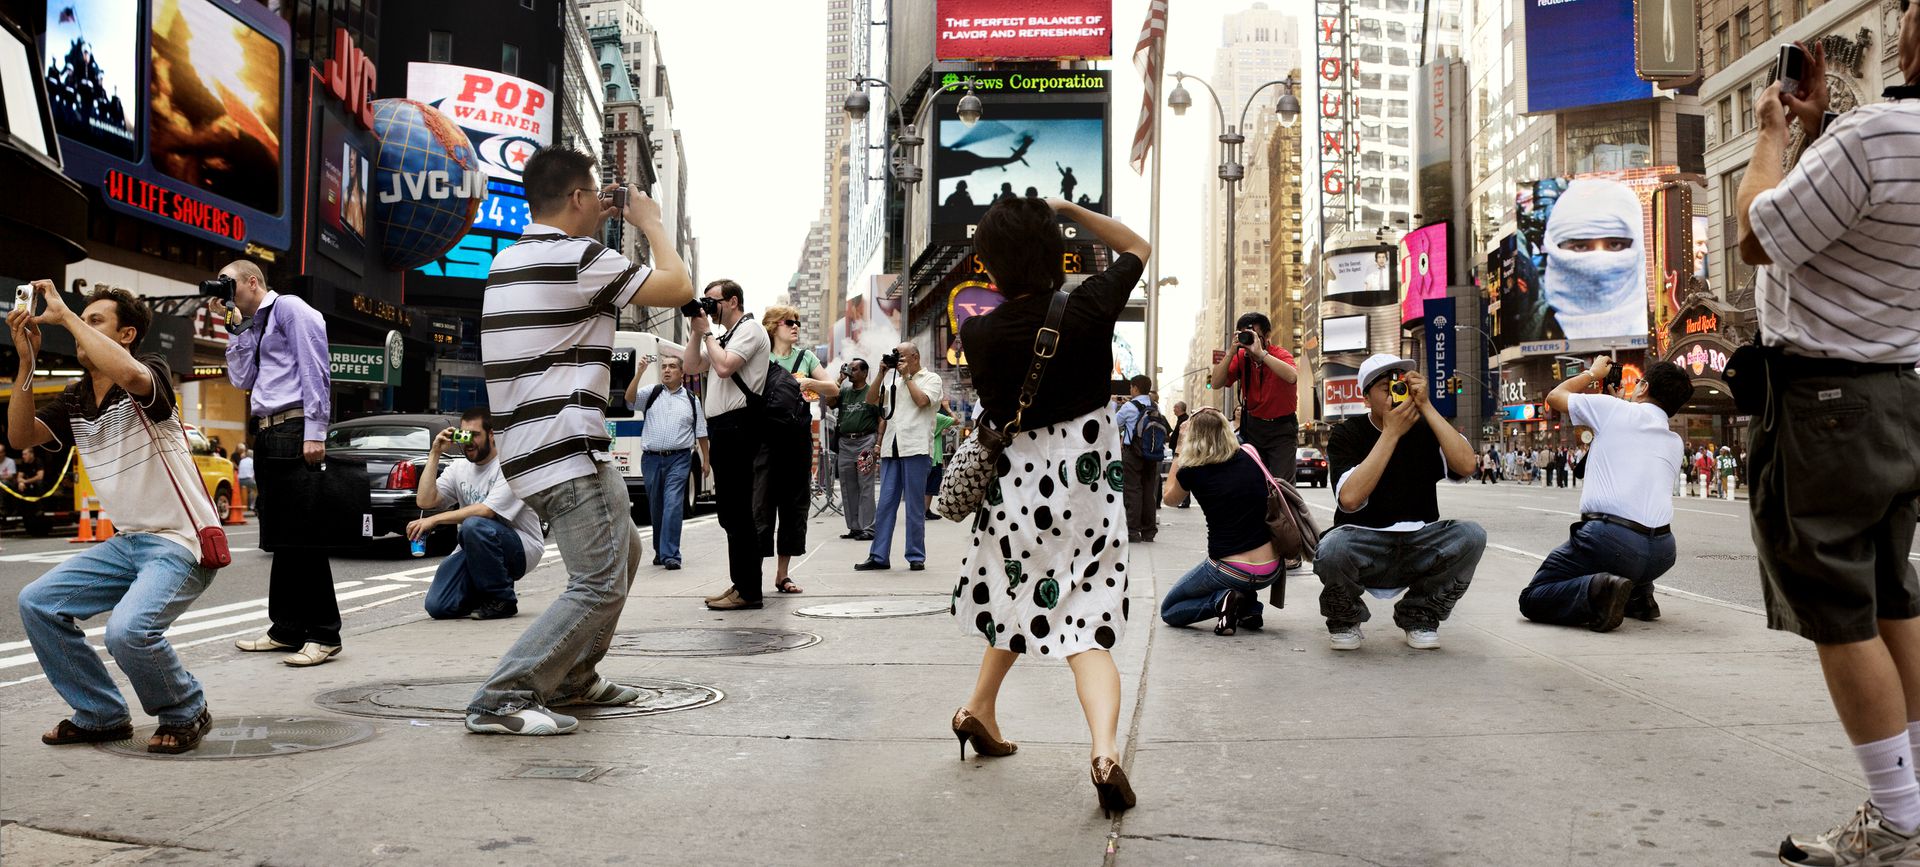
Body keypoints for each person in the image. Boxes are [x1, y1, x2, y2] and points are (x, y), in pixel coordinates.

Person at [1735, 20, 1920, 860]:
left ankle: (1895, 820)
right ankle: (1915, 802)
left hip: (1827, 406)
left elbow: (1756, 236)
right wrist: (1819, 132)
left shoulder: (1878, 134)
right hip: (1899, 395)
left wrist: (1774, 137)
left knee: (1841, 609)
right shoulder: (1867, 138)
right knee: (1889, 592)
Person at [466, 148, 694, 735]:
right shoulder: (575, 257)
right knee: (597, 580)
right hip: (563, 449)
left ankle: (574, 676)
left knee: (627, 554)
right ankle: (503, 696)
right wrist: (649, 221)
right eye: (596, 194)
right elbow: (678, 285)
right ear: (576, 199)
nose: (602, 204)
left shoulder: (508, 259)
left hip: (554, 449)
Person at [947, 195, 1149, 815]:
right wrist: (1070, 209)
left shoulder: (976, 331)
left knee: (1018, 593)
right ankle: (1104, 752)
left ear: (991, 265)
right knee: (1084, 620)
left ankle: (977, 709)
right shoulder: (1089, 306)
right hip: (1086, 495)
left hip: (1015, 494)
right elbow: (1137, 247)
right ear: (1055, 250)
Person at [10, 280, 221, 754]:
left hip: (181, 542)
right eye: (82, 320)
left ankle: (186, 710)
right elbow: (21, 436)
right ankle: (101, 714)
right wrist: (26, 361)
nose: (82, 327)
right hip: (127, 543)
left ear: (125, 335)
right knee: (37, 602)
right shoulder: (75, 399)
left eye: (94, 321)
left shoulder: (148, 371)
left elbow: (128, 374)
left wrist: (64, 316)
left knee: (128, 632)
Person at [210, 259, 340, 668]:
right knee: (280, 536)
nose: (225, 290)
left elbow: (315, 367)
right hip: (266, 431)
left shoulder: (291, 309)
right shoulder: (255, 323)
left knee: (303, 533)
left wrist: (316, 430)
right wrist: (234, 328)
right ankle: (286, 628)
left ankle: (324, 633)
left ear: (253, 281)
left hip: (293, 425)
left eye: (229, 284)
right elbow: (242, 379)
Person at [1315, 354, 1486, 651]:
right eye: (1386, 386)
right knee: (1332, 548)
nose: (1397, 392)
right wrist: (1391, 433)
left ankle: (1420, 615)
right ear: (1365, 397)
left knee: (1472, 535)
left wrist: (1427, 407)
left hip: (1418, 545)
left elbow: (1467, 465)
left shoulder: (1425, 428)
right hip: (1365, 546)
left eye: (1402, 384)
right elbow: (1350, 499)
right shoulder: (1347, 433)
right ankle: (1344, 618)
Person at [1518, 357, 1692, 632]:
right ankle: (1641, 597)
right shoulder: (1675, 441)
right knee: (1630, 548)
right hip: (1662, 552)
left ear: (1643, 386)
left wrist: (1592, 373)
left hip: (1611, 543)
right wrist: (1621, 404)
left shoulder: (1613, 411)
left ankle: (1599, 591)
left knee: (1533, 597)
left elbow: (1555, 397)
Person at [684, 279, 772, 611]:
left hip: (740, 425)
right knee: (729, 512)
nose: (708, 307)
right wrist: (697, 331)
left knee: (739, 512)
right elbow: (692, 367)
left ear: (732, 301)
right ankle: (741, 584)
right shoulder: (723, 336)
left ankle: (750, 591)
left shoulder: (750, 330)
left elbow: (722, 368)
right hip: (723, 427)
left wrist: (706, 332)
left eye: (712, 301)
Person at [412, 408, 545, 621]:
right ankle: (483, 593)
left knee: (474, 524)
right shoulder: (458, 468)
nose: (468, 442)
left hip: (521, 547)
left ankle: (503, 600)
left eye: (475, 435)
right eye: (464, 435)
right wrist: (435, 452)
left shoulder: (511, 466)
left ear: (492, 435)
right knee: (438, 605)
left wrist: (435, 520)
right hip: (474, 544)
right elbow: (425, 501)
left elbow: (487, 511)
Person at [1158, 408, 1281, 635]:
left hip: (1229, 569)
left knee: (1170, 609)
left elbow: (1169, 499)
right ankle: (1249, 608)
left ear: (1193, 438)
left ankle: (1221, 601)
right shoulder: (1251, 455)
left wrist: (1178, 450)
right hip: (1272, 567)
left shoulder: (1192, 470)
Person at [761, 306, 838, 594]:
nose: (795, 327)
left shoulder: (806, 357)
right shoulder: (761, 356)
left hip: (797, 441)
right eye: (788, 322)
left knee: (794, 507)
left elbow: (833, 389)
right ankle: (752, 573)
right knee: (761, 505)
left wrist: (810, 382)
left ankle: (782, 574)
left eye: (797, 323)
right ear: (772, 326)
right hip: (765, 440)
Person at [853, 342, 942, 571]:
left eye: (901, 356)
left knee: (914, 506)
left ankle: (915, 556)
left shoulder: (931, 379)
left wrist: (908, 378)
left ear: (915, 356)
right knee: (885, 504)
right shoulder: (893, 381)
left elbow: (922, 401)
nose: (898, 360)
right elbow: (871, 400)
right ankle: (879, 556)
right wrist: (882, 373)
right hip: (891, 449)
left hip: (916, 447)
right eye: (896, 356)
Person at [623, 354, 709, 571]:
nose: (667, 370)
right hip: (651, 459)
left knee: (673, 503)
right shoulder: (651, 393)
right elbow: (629, 400)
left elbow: (700, 432)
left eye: (672, 367)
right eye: (664, 367)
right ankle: (660, 552)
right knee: (657, 506)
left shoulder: (692, 400)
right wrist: (640, 372)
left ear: (682, 373)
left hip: (679, 459)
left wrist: (706, 460)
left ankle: (671, 554)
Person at [1209, 312, 1300, 482]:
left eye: (1255, 337)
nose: (1250, 342)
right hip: (1254, 427)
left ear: (1267, 336)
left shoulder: (1279, 354)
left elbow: (1292, 376)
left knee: (1282, 484)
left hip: (1282, 429)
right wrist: (1230, 353)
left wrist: (1262, 354)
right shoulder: (1242, 358)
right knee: (1255, 482)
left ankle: (1283, 509)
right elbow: (1215, 383)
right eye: (1245, 336)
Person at [830, 358, 880, 540]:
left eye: (855, 369)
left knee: (865, 485)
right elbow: (829, 401)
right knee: (847, 485)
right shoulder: (843, 391)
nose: (851, 371)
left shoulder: (871, 392)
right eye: (849, 368)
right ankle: (854, 527)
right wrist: (839, 379)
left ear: (865, 373)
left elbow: (882, 418)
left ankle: (868, 527)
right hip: (845, 443)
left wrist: (878, 443)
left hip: (865, 441)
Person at [1113, 374, 1162, 544]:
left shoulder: (1128, 407)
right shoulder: (1155, 406)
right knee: (1149, 492)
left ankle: (1133, 531)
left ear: (1134, 388)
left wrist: (1116, 405)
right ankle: (1149, 531)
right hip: (1152, 453)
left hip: (1133, 454)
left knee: (1133, 491)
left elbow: (1114, 425)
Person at [924, 404, 957, 520]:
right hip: (934, 456)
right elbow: (956, 420)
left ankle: (922, 510)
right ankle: (925, 510)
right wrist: (948, 408)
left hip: (921, 455)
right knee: (931, 485)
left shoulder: (922, 415)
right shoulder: (937, 416)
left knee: (922, 485)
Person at [1168, 401, 1192, 507]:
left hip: (1182, 452)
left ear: (1179, 408)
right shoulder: (1181, 419)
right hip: (1179, 451)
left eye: (1175, 407)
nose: (1173, 409)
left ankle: (1184, 500)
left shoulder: (1185, 420)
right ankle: (1184, 500)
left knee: (1181, 475)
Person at [233, 445, 255, 512]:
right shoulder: (252, 461)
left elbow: (239, 470)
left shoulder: (242, 461)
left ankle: (245, 505)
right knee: (256, 489)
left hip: (239, 480)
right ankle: (252, 505)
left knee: (248, 489)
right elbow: (254, 473)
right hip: (248, 480)